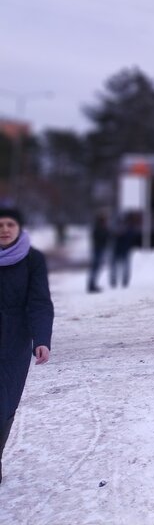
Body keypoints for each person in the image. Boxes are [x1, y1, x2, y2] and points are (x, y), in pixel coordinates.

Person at [0, 207, 54, 484]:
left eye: (10, 224)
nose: (4, 229)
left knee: (4, 405)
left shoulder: (33, 260)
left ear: (19, 227)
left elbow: (39, 302)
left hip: (13, 344)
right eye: (0, 224)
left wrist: (41, 340)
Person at [109, 214, 137, 289]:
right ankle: (114, 281)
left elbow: (131, 237)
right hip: (117, 250)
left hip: (124, 249)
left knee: (125, 266)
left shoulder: (128, 229)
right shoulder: (115, 230)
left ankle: (124, 281)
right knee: (115, 267)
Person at [88, 213, 110, 293]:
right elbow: (103, 237)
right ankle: (92, 285)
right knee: (95, 268)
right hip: (98, 250)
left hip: (99, 249)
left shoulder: (98, 228)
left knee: (96, 268)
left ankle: (92, 284)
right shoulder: (99, 229)